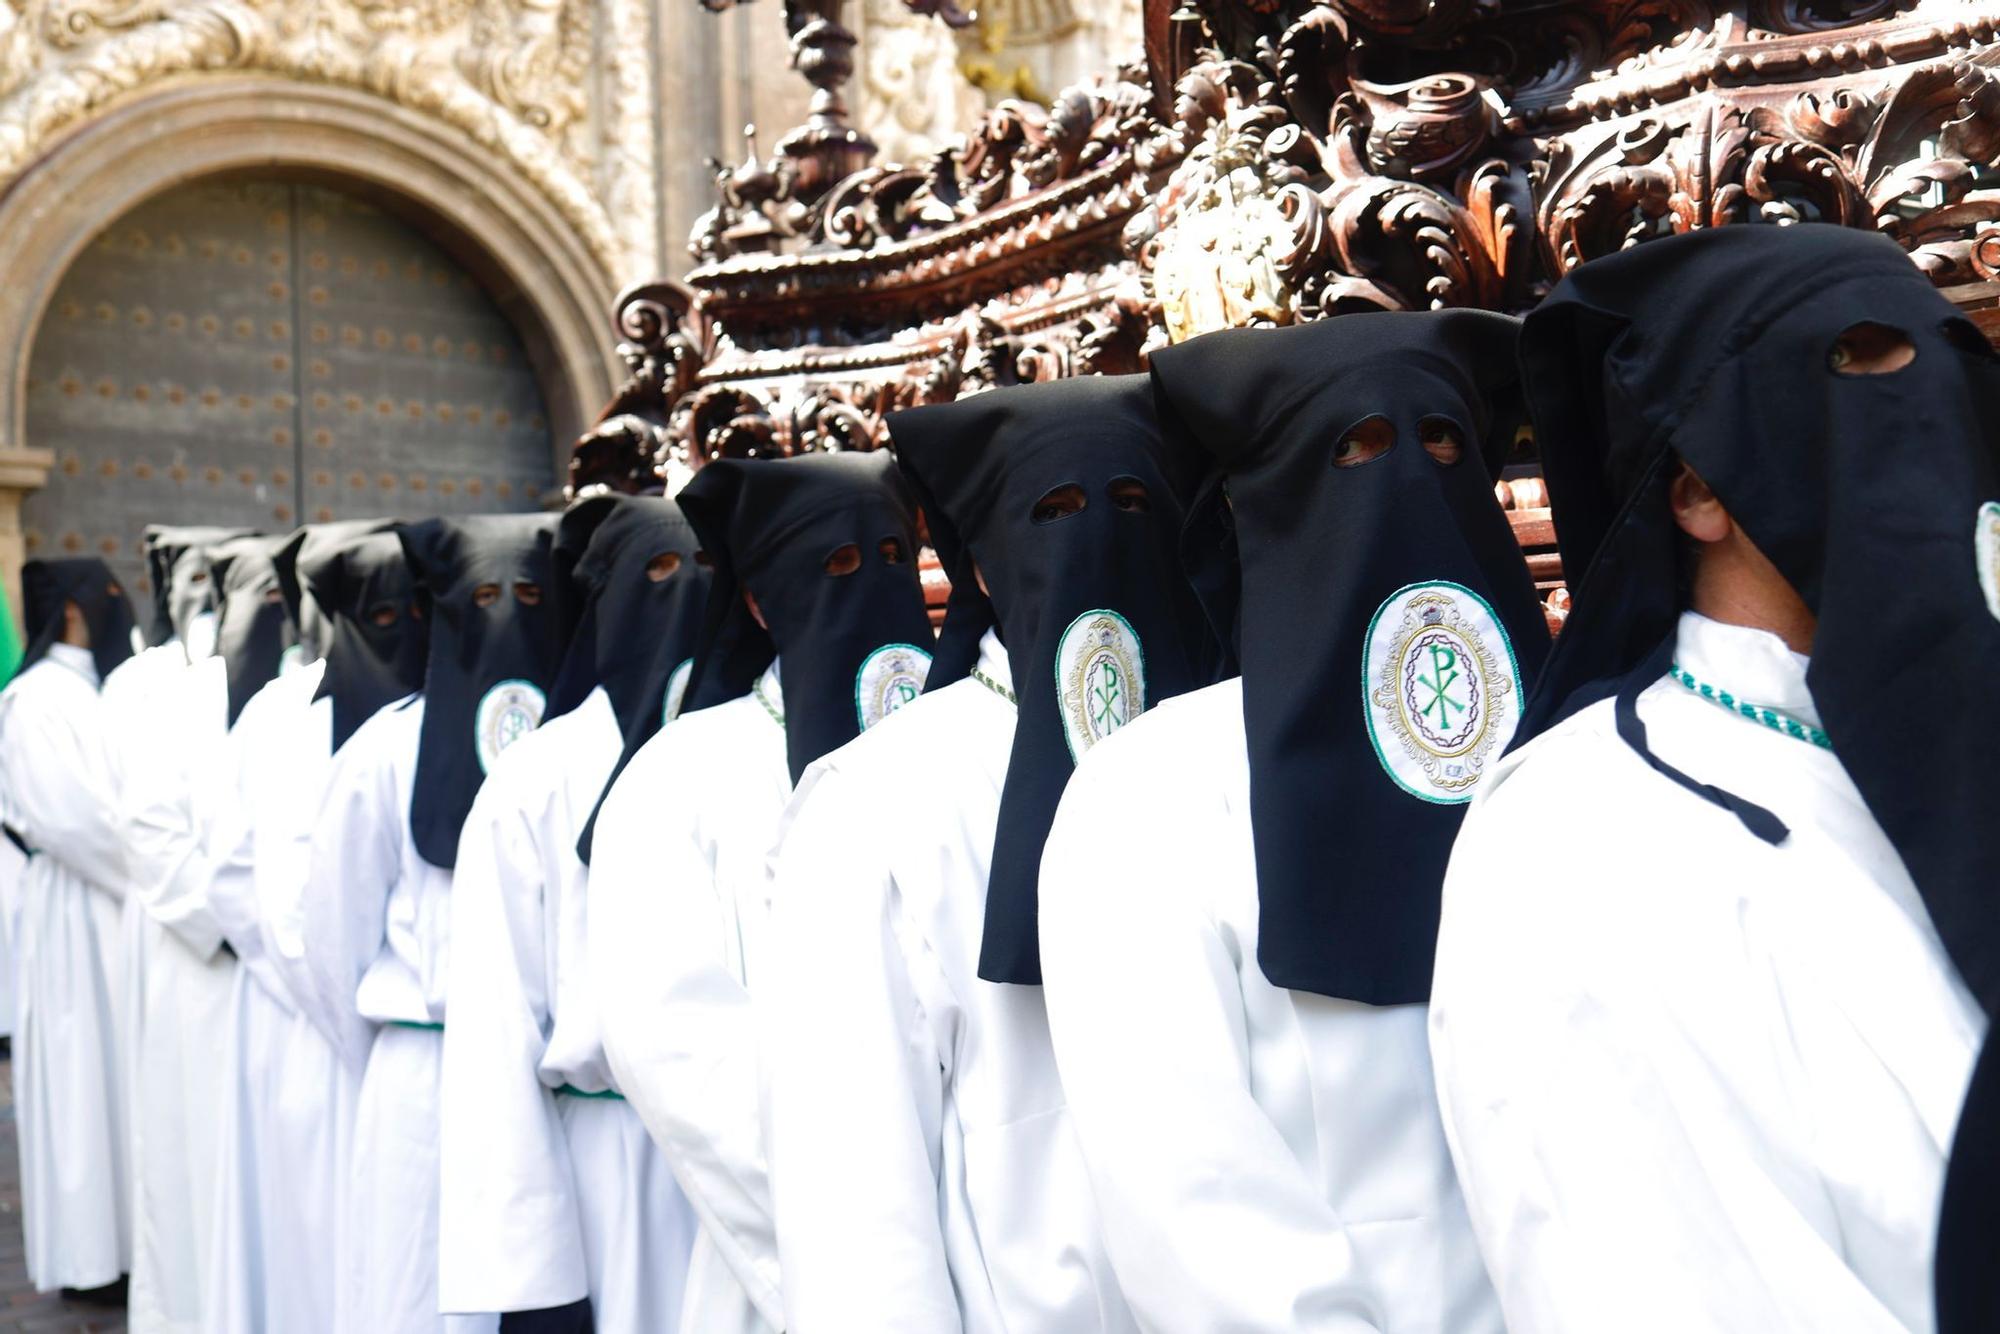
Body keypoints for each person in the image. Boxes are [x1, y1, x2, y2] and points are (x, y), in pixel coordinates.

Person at [1426, 225, 1992, 1332]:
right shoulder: (1573, 842)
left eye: (1947, 360)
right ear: (1695, 491)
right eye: (1854, 364)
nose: (1929, 414)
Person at [1030, 313, 1540, 1334]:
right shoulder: (1152, 788)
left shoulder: (1571, 756)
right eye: (1348, 447)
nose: (1404, 480)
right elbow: (1191, 1194)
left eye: (1443, 442)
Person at [758, 375, 1217, 1332]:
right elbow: (855, 1190)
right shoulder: (876, 801)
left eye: (1135, 502)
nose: (1102, 536)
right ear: (980, 559)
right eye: (1053, 510)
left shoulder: (1236, 741)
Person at [591, 450, 934, 1334]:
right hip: (802, 1234)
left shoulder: (967, 737)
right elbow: (673, 1040)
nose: (872, 586)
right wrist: (841, 1244)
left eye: (894, 557)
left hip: (987, 1216)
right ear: (755, 600)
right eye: (837, 567)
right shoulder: (683, 774)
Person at [438, 495, 709, 1332]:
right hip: (607, 1169)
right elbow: (494, 1035)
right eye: (660, 574)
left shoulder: (744, 749)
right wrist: (532, 1275)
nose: (686, 595)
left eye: (705, 572)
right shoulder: (534, 780)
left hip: (737, 1162)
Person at [302, 512, 559, 1334]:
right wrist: (393, 1050)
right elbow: (331, 937)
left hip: (548, 1088)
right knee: (416, 1297)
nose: (508, 612)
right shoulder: (384, 748)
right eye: (485, 594)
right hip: (424, 1076)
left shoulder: (577, 740)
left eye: (530, 594)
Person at [203, 519, 422, 1334]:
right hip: (303, 1027)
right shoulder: (280, 713)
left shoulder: (437, 705)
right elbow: (242, 874)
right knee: (308, 1247)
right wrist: (342, 1016)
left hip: (384, 1041)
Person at [121, 531, 296, 1334]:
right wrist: (229, 927)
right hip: (205, 975)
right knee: (195, 1171)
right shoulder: (180, 698)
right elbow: (151, 829)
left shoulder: (302, 692)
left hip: (278, 987)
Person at [0, 558, 137, 1295]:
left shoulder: (98, 690)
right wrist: (150, 871)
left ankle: (128, 1244)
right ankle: (91, 1260)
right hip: (78, 912)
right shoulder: (36, 699)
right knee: (83, 1081)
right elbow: (66, 818)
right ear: (78, 611)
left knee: (117, 1078)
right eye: (112, 597)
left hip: (119, 906)